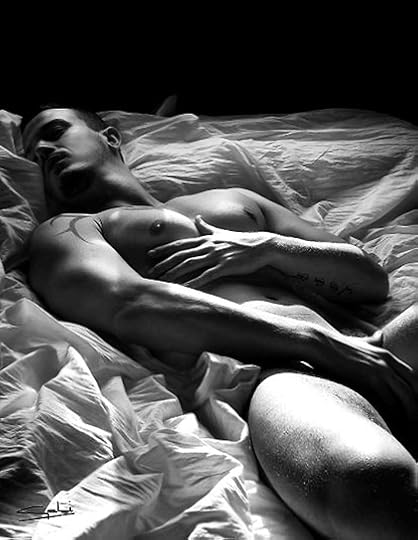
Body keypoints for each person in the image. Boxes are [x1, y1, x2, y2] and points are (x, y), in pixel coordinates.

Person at [21, 105, 418, 538]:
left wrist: (265, 249)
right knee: (371, 487)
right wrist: (317, 344)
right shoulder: (68, 231)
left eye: (56, 131)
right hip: (283, 374)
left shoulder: (233, 200)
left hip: (369, 344)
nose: (44, 150)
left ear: (111, 137)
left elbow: (370, 279)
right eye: (32, 152)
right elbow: (131, 305)